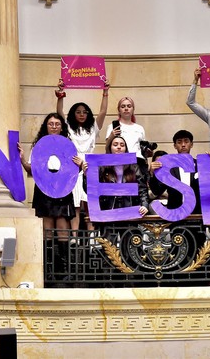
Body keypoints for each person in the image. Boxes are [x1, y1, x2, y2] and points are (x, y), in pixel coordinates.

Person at [18, 113, 82, 282]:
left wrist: (81, 166)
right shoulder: (38, 146)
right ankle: (47, 270)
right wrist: (23, 160)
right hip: (44, 188)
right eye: (51, 123)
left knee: (62, 227)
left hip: (62, 188)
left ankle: (64, 270)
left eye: (57, 124)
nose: (54, 126)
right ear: (46, 126)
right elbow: (32, 171)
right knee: (46, 229)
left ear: (62, 127)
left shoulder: (69, 145)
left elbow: (74, 171)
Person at [55, 78, 109, 243]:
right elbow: (59, 113)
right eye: (78, 111)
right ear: (73, 113)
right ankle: (75, 237)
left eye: (84, 112)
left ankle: (92, 238)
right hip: (73, 165)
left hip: (90, 165)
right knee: (76, 204)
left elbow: (103, 112)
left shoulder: (93, 128)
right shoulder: (69, 128)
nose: (81, 114)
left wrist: (105, 92)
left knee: (90, 203)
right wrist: (61, 95)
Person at [149, 130, 201, 215]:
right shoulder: (168, 168)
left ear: (191, 144)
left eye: (186, 141)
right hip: (175, 215)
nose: (183, 145)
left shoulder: (200, 166)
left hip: (197, 214)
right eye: (179, 142)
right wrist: (152, 174)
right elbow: (157, 191)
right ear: (175, 146)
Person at [104, 97, 149, 177]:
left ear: (133, 109)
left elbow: (142, 148)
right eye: (123, 106)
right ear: (119, 110)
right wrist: (111, 136)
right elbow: (107, 148)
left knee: (140, 187)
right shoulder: (112, 127)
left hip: (138, 161)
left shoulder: (139, 128)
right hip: (121, 162)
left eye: (129, 106)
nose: (126, 109)